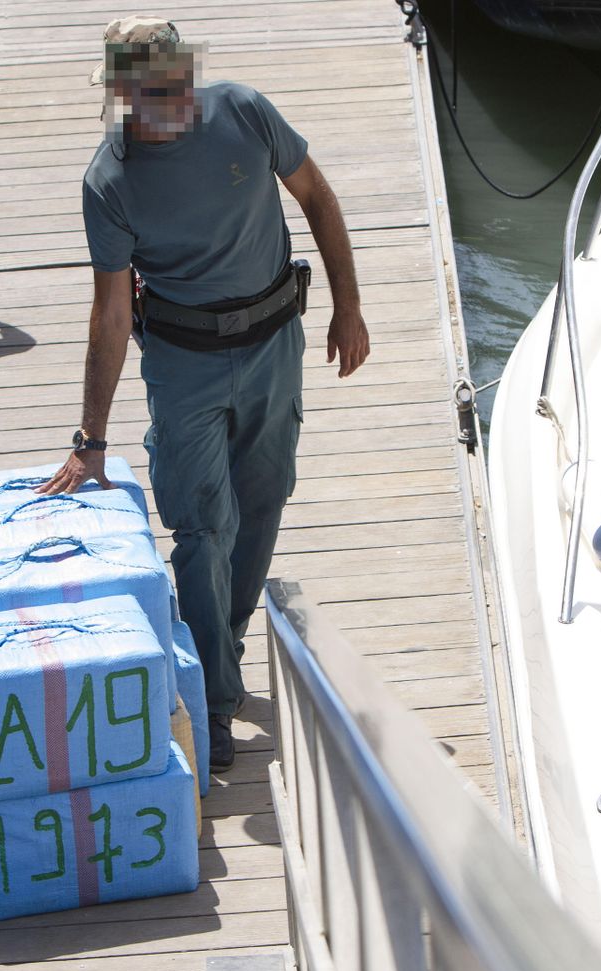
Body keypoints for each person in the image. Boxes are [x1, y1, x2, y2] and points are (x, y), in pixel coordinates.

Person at [39, 18, 369, 774]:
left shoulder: (245, 110)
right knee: (201, 528)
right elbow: (111, 313)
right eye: (148, 88)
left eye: (175, 82)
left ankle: (227, 638)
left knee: (263, 500)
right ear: (121, 93)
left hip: (274, 344)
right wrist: (91, 439)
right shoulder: (109, 181)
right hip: (184, 364)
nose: (168, 100)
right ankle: (215, 700)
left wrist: (348, 306)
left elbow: (318, 197)